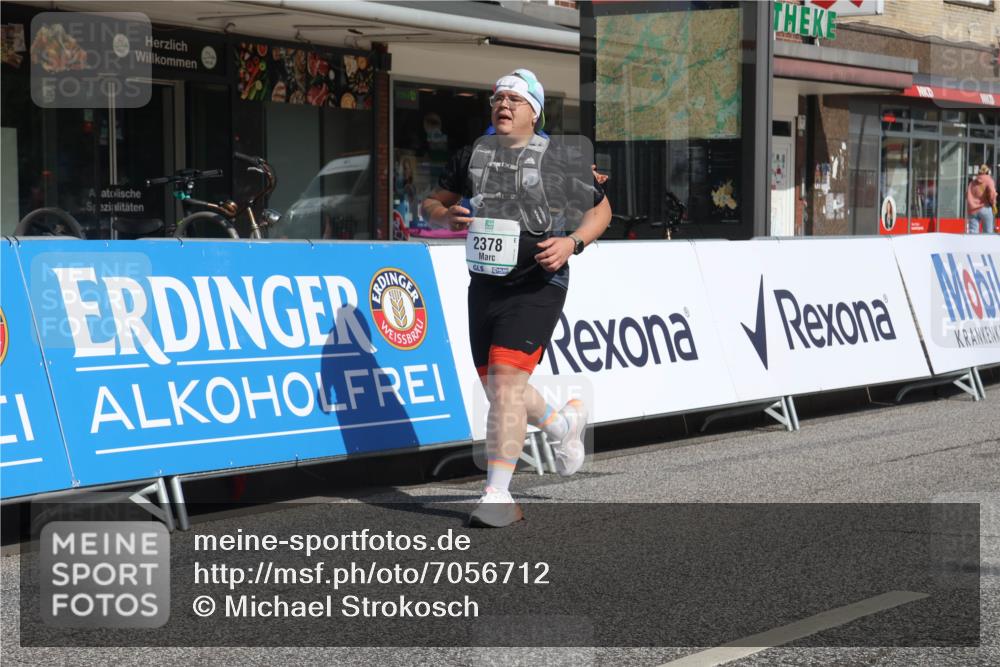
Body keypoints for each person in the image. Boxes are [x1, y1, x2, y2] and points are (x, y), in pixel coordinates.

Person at [421, 69, 612, 527]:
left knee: (505, 387)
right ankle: (563, 424)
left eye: (514, 99)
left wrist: (572, 244)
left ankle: (497, 495)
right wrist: (445, 215)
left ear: (534, 112)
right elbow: (431, 203)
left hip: (537, 284)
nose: (503, 105)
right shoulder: (473, 155)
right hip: (485, 284)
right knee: (502, 392)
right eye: (497, 99)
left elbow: (601, 210)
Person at [966, 164, 997, 234]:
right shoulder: (989, 180)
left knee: (973, 233)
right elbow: (992, 193)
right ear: (988, 172)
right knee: (988, 232)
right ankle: (986, 245)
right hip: (985, 208)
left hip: (972, 209)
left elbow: (967, 194)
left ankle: (974, 245)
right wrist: (993, 203)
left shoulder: (972, 182)